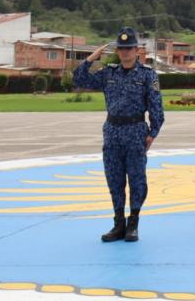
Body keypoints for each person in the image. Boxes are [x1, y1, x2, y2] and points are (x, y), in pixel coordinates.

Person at [73, 27, 164, 242]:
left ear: (136, 50)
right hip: (113, 132)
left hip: (135, 132)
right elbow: (79, 79)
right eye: (121, 49)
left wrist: (152, 133)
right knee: (114, 180)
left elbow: (157, 108)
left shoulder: (147, 75)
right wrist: (91, 59)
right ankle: (118, 224)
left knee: (137, 180)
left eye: (129, 48)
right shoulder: (108, 73)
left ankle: (133, 223)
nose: (125, 52)